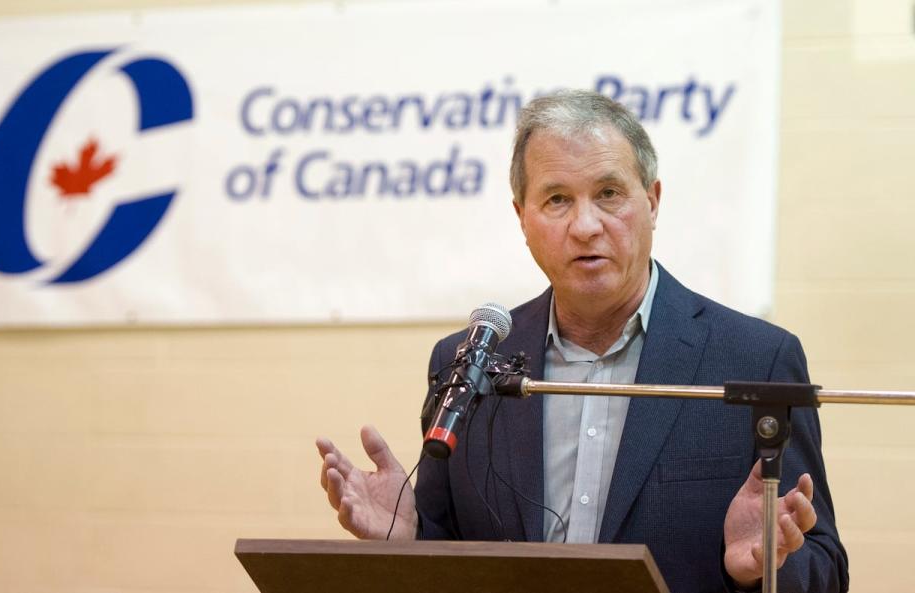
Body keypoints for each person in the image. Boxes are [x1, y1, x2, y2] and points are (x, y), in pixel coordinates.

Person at [317, 90, 848, 593]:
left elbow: (825, 568)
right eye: (556, 200)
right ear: (522, 218)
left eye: (609, 194)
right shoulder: (469, 362)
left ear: (654, 202)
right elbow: (453, 557)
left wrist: (759, 570)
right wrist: (407, 538)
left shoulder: (757, 358)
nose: (586, 225)